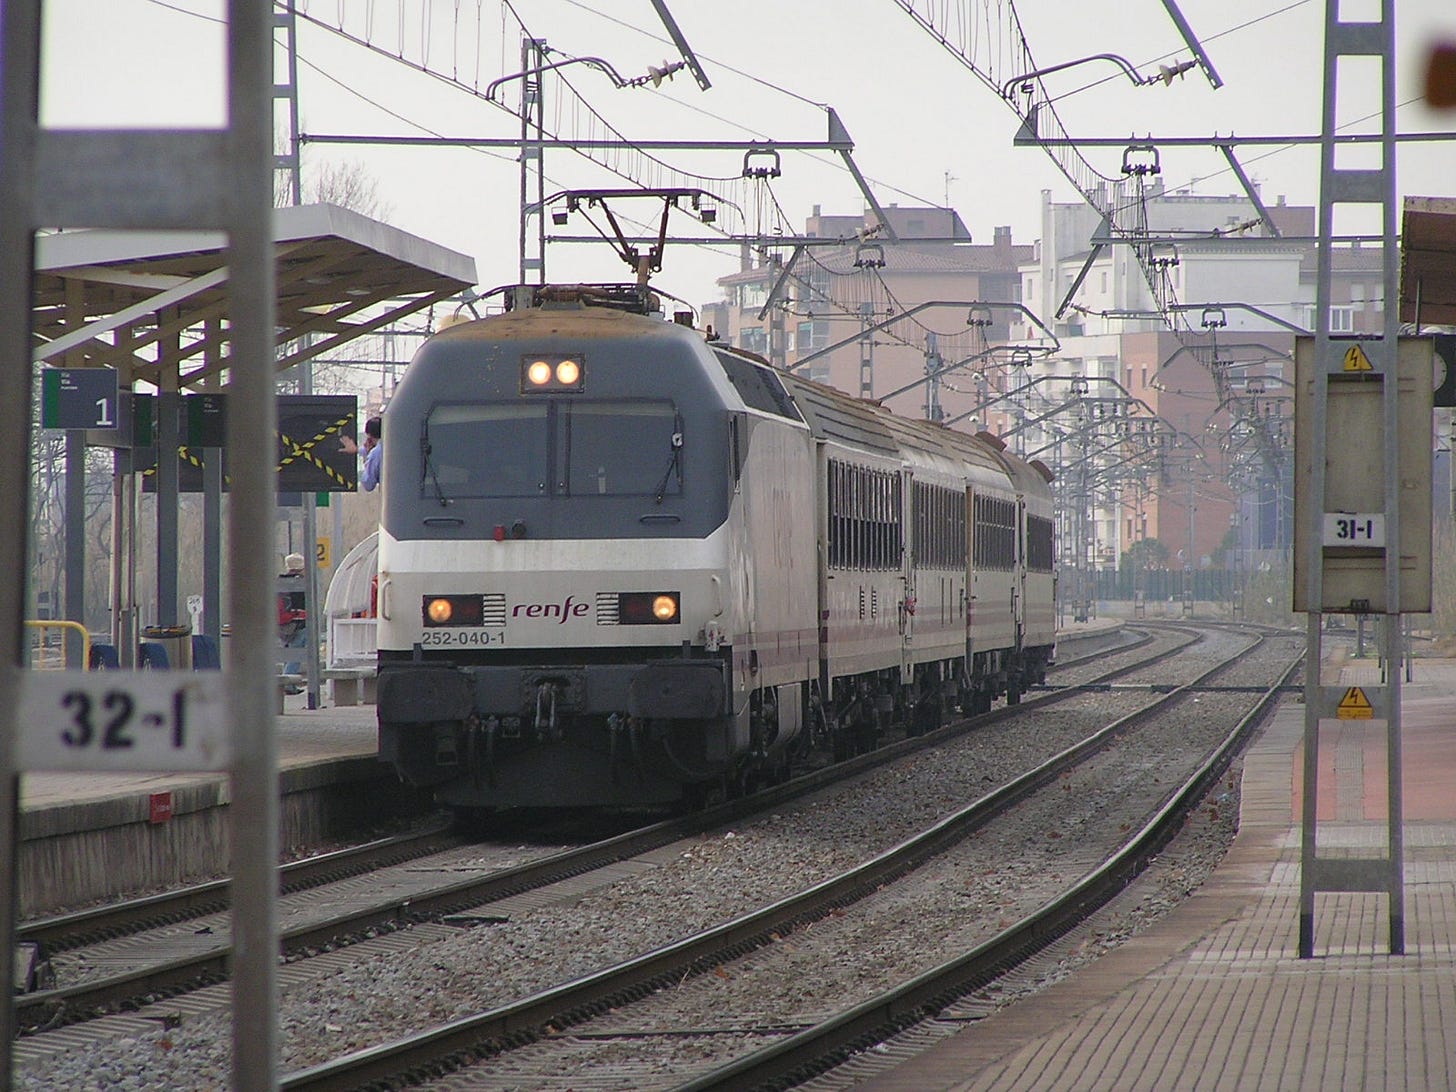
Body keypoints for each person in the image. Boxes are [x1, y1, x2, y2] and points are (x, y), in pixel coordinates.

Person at [340, 415, 382, 492]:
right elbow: (365, 450)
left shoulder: (375, 454)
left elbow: (368, 484)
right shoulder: (392, 446)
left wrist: (366, 460)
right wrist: (357, 450)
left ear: (369, 436)